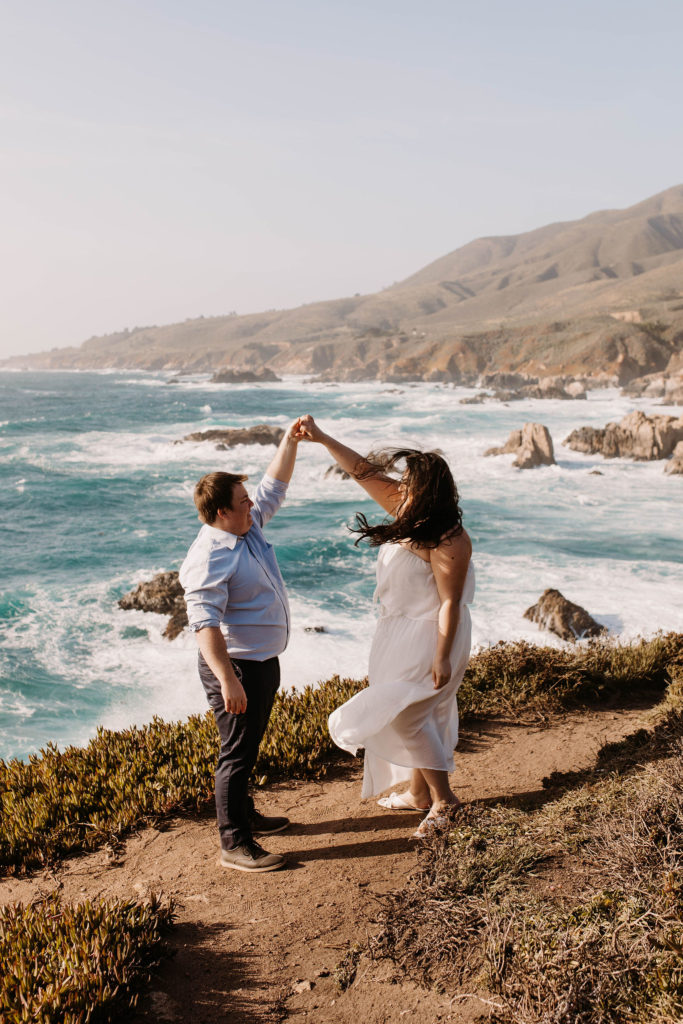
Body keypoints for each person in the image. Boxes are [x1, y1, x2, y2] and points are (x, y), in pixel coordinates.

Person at [295, 415, 474, 837]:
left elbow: (450, 601)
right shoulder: (409, 513)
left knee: (409, 716)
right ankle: (419, 793)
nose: (401, 488)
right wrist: (321, 438)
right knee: (414, 712)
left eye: (410, 484)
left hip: (432, 634)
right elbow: (363, 471)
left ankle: (446, 802)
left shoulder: (449, 538)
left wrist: (442, 656)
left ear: (427, 492)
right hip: (397, 633)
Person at [179, 420, 303, 872]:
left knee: (247, 749)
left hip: (261, 661)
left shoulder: (244, 529)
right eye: (242, 502)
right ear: (219, 513)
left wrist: (289, 442)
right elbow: (204, 625)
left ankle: (245, 815)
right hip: (237, 667)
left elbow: (274, 487)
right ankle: (234, 844)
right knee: (235, 754)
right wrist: (228, 680)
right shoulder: (209, 556)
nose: (252, 504)